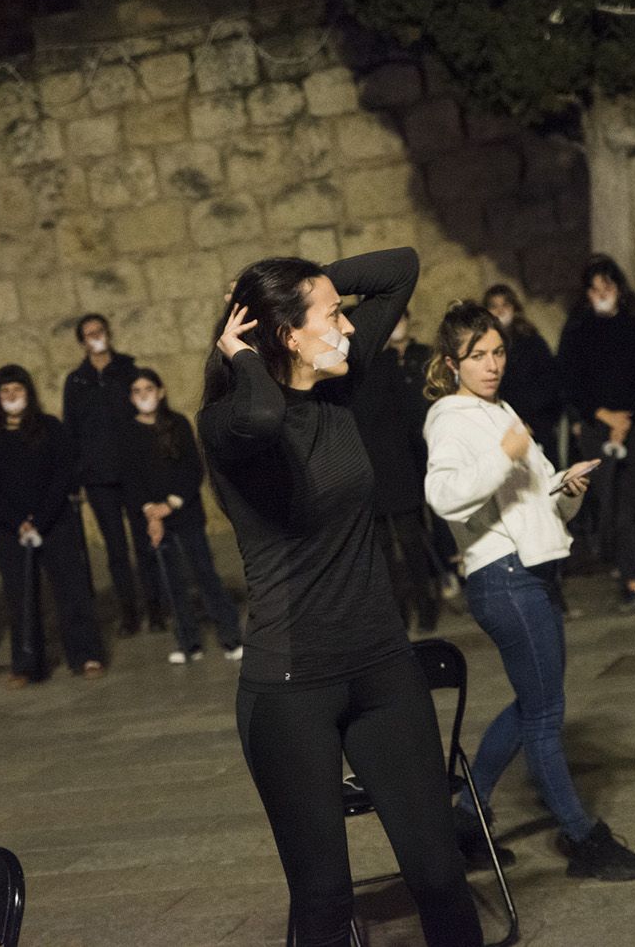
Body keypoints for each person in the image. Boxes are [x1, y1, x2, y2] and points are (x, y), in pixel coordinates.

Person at [199, 248, 482, 947]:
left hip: (384, 667)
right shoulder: (228, 423)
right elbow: (266, 415)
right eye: (331, 317)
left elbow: (401, 268)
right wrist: (243, 352)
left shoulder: (339, 394)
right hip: (291, 689)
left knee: (440, 874)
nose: (350, 328)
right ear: (288, 336)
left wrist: (310, 280)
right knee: (323, 901)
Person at [424, 301, 635, 881]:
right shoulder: (451, 415)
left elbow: (538, 501)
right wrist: (504, 455)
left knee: (534, 706)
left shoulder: (498, 408)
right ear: (453, 364)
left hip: (530, 571)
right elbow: (444, 495)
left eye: (498, 352)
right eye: (478, 356)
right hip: (503, 577)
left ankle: (466, 822)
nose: (492, 364)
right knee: (546, 715)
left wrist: (566, 487)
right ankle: (582, 838)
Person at [558, 255, 635, 613]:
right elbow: (570, 380)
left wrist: (629, 418)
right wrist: (602, 415)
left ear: (618, 288)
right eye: (594, 289)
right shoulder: (577, 330)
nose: (602, 294)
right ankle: (631, 580)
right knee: (616, 508)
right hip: (599, 426)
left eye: (607, 287)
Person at [0, 364, 107, 686]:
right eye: (5, 391)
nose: (12, 397)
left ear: (28, 393)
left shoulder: (50, 428)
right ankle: (27, 665)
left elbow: (63, 474)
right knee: (20, 597)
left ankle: (86, 654)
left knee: (71, 590)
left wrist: (40, 520)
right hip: (10, 529)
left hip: (54, 522)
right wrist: (19, 523)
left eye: (17, 390)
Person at [118, 368, 244, 664]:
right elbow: (130, 479)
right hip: (153, 520)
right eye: (137, 391)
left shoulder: (177, 424)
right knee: (170, 581)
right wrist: (151, 511)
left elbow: (192, 469)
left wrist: (170, 505)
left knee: (204, 573)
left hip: (185, 513)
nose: (144, 395)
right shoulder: (127, 433)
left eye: (149, 388)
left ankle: (230, 637)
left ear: (160, 392)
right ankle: (188, 642)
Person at [63, 314, 155, 636]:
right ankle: (129, 612)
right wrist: (77, 476)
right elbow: (71, 431)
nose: (96, 337)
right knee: (116, 550)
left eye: (99, 331)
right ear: (82, 342)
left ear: (108, 333)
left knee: (145, 542)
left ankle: (155, 607)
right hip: (99, 478)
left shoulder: (128, 370)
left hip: (132, 471)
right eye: (89, 334)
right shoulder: (76, 382)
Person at [351, 311, 443, 632]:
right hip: (372, 468)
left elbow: (404, 413)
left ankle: (424, 605)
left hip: (395, 464)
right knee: (385, 551)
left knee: (410, 543)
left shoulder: (386, 361)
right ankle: (402, 611)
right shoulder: (346, 371)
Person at [483, 284, 564, 451]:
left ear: (514, 308)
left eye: (505, 305)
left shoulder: (532, 343)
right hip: (501, 429)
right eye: (494, 306)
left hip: (537, 426)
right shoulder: (482, 348)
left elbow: (550, 383)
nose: (500, 311)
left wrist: (536, 422)